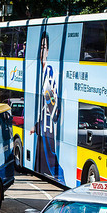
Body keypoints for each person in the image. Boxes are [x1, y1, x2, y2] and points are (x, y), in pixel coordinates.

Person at [30, 31, 65, 183]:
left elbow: (51, 101)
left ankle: (61, 178)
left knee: (51, 159)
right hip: (42, 125)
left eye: (44, 47)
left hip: (48, 125)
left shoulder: (49, 71)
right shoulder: (38, 70)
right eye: (40, 47)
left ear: (48, 50)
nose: (41, 51)